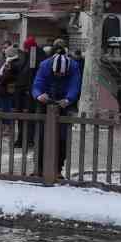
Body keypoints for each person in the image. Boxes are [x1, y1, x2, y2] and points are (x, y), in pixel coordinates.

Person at [32, 39, 81, 176]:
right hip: (45, 102)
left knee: (62, 138)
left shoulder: (74, 66)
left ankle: (58, 168)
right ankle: (40, 168)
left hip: (63, 102)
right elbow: (37, 84)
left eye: (62, 74)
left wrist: (68, 99)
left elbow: (75, 85)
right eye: (56, 74)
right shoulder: (44, 65)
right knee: (41, 137)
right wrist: (39, 95)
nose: (59, 76)